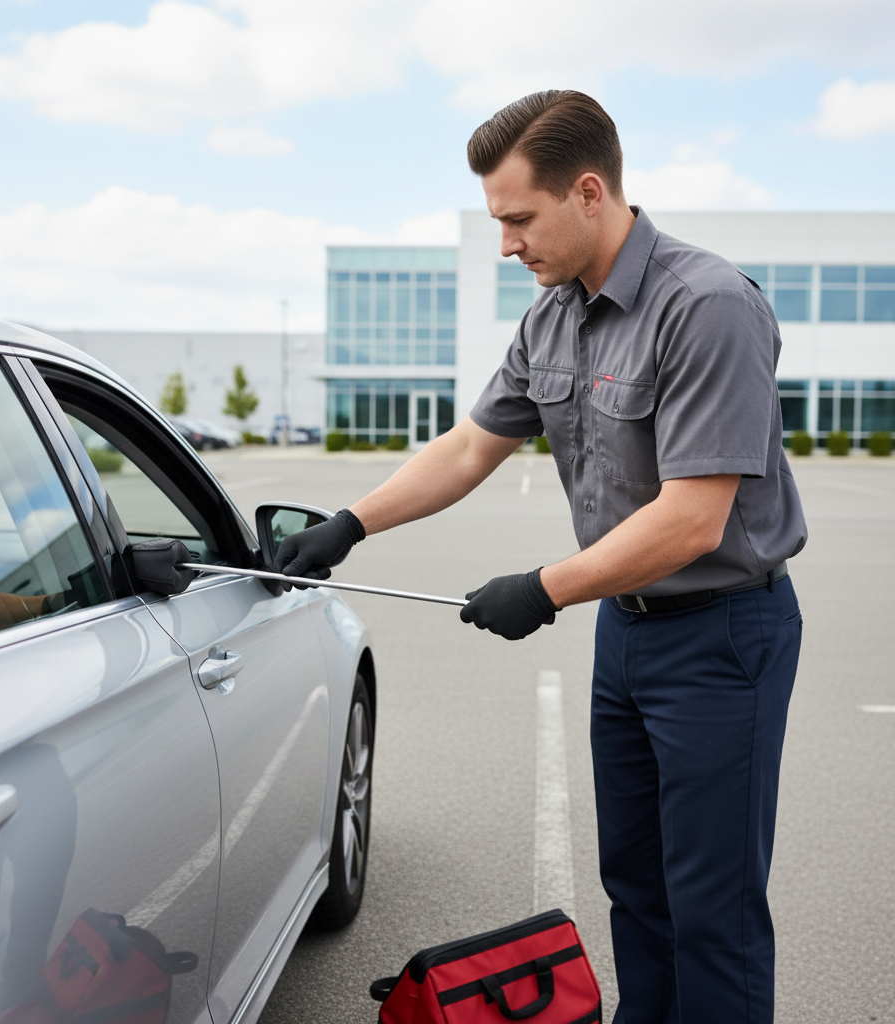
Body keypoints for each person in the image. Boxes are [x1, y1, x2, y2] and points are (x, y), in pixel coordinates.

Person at [275, 90, 806, 1023]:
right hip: (628, 634)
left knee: (712, 913)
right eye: (498, 223)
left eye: (520, 219)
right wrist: (349, 524)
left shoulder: (707, 305)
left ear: (589, 192)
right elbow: (471, 447)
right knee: (637, 890)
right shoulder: (552, 319)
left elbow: (693, 521)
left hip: (724, 638)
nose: (508, 244)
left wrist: (544, 589)